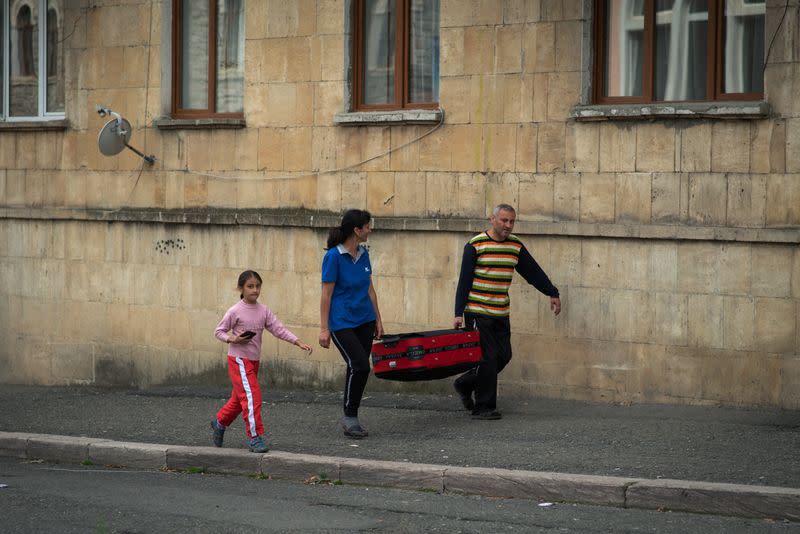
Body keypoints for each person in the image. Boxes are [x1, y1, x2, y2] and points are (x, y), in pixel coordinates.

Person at [453, 204, 561, 420]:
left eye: (512, 221)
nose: (508, 225)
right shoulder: (475, 245)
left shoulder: (515, 246)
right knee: (488, 358)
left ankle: (464, 384)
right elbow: (464, 281)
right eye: (504, 221)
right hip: (477, 310)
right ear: (492, 219)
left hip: (501, 311)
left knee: (504, 356)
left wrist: (552, 292)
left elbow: (533, 272)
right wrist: (458, 312)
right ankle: (483, 408)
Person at [211, 270, 312, 453]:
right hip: (238, 360)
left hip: (254, 361)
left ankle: (219, 422)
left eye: (257, 286)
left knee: (238, 400)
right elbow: (219, 331)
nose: (255, 290)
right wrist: (233, 339)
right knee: (252, 396)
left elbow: (278, 328)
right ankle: (255, 437)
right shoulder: (235, 310)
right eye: (250, 286)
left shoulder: (263, 310)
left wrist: (297, 341)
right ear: (241, 288)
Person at [319, 209, 384, 439]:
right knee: (360, 365)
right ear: (357, 230)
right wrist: (324, 328)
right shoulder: (333, 257)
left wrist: (378, 319)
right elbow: (326, 295)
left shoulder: (364, 253)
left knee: (356, 367)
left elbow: (369, 288)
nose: (370, 229)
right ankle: (350, 416)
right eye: (367, 226)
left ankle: (351, 414)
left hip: (365, 320)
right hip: (341, 322)